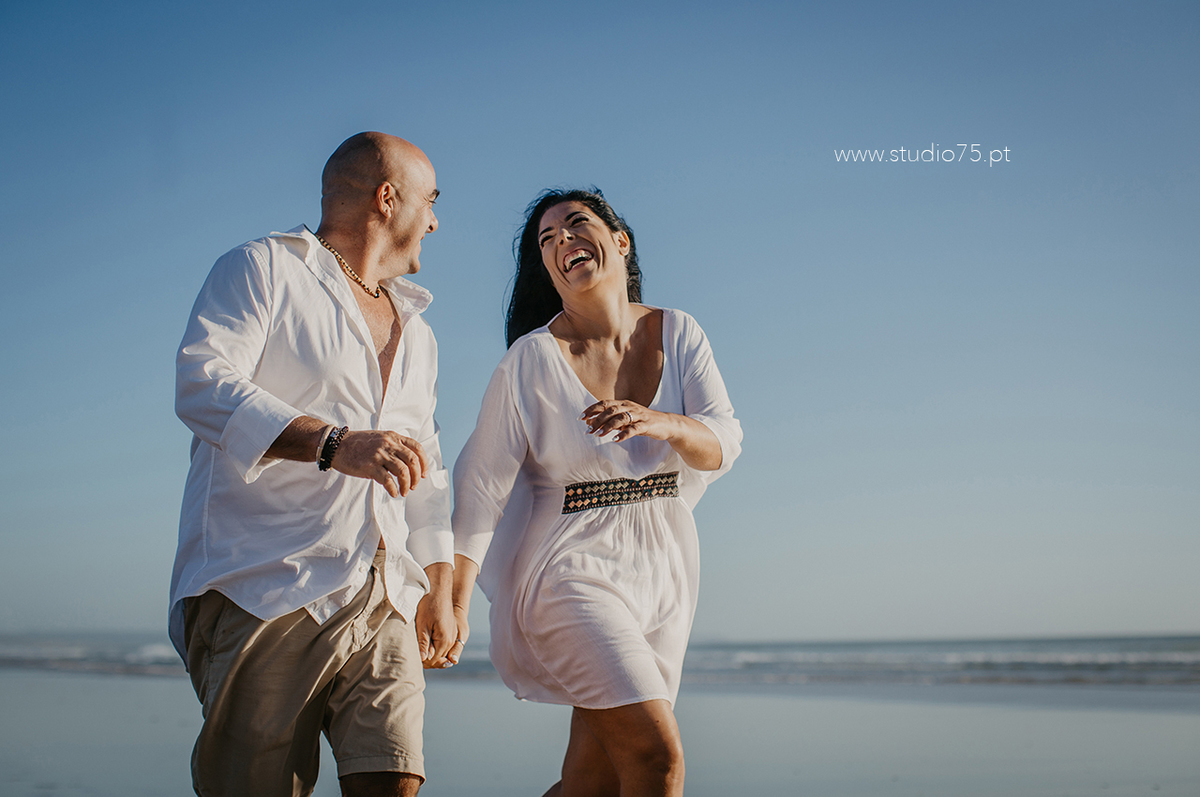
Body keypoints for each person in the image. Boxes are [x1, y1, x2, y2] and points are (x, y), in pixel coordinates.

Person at [169, 132, 462, 797]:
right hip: (266, 584)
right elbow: (203, 384)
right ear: (388, 199)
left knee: (395, 776)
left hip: (384, 589)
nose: (437, 220)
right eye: (431, 200)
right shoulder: (263, 268)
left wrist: (439, 586)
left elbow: (428, 466)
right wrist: (335, 443)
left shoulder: (420, 332)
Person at [449, 188, 742, 796]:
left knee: (592, 781)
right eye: (546, 241)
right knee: (656, 759)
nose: (562, 242)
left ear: (618, 240)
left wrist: (664, 422)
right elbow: (481, 485)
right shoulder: (531, 359)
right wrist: (450, 600)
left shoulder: (679, 332)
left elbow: (724, 443)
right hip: (570, 567)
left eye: (576, 225)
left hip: (664, 567)